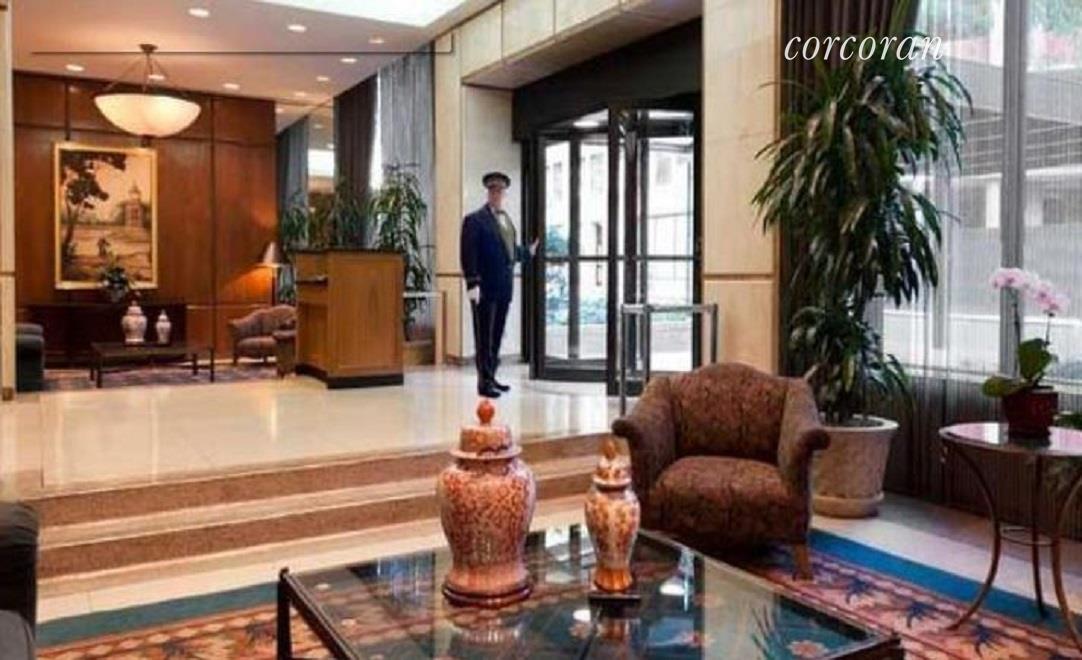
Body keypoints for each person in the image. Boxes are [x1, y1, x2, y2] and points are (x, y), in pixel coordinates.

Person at [460, 172, 537, 398]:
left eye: (501, 191)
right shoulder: (475, 220)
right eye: (494, 191)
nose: (497, 195)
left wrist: (527, 252)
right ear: (488, 193)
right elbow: (468, 253)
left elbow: (508, 251)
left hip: (503, 288)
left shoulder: (505, 220)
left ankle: (491, 376)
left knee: (496, 336)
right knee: (484, 337)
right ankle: (483, 383)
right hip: (484, 288)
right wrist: (472, 282)